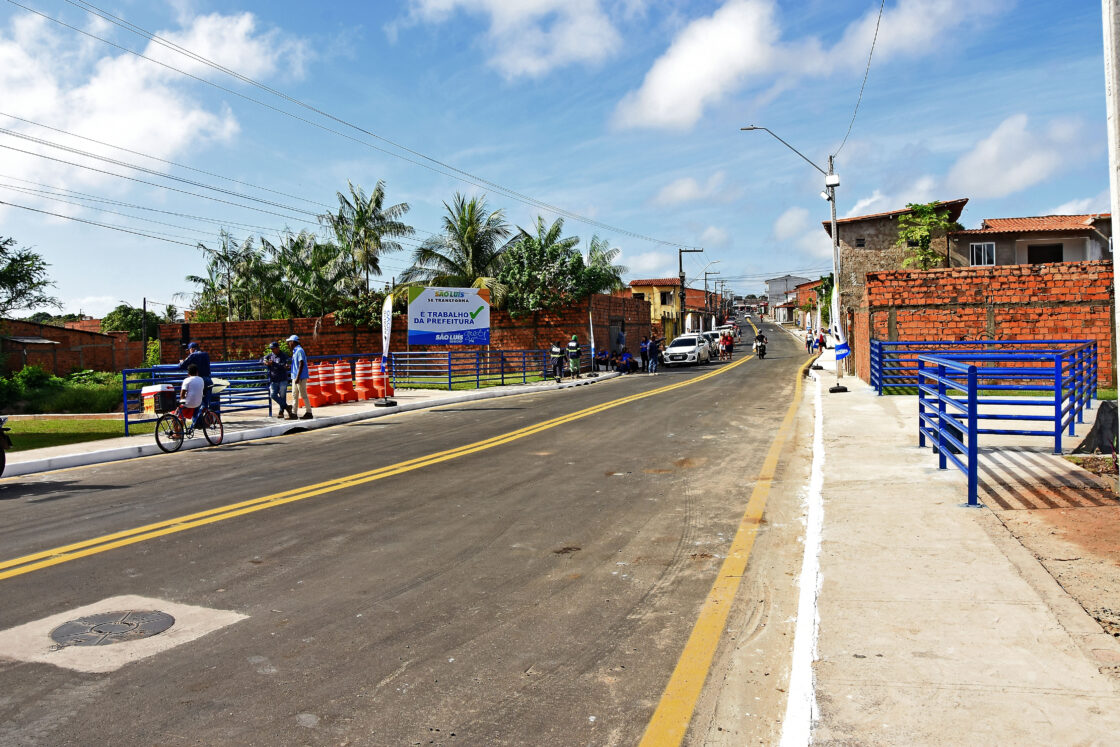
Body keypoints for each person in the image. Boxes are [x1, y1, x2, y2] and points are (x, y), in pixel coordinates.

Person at [179, 341, 217, 413]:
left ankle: (197, 419)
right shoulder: (206, 354)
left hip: (199, 381)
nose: (189, 352)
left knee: (197, 403)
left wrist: (181, 361)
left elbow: (182, 365)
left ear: (192, 349)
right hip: (208, 380)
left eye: (189, 350)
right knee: (206, 404)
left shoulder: (192, 355)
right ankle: (207, 417)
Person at [263, 341, 294, 419]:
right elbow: (263, 358)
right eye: (271, 349)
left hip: (282, 378)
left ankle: (281, 412)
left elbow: (284, 365)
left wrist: (273, 363)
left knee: (282, 396)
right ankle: (287, 407)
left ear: (278, 348)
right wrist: (265, 362)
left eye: (273, 349)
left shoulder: (283, 356)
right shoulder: (270, 355)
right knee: (273, 395)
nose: (272, 350)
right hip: (274, 379)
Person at [288, 334, 313, 419]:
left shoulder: (299, 351)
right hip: (295, 376)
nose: (289, 344)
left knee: (303, 395)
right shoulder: (295, 351)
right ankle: (294, 413)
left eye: (290, 342)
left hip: (300, 377)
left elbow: (301, 363)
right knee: (294, 395)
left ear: (293, 342)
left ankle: (309, 412)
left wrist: (298, 377)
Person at [177, 363, 205, 431]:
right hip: (198, 403)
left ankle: (178, 433)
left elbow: (182, 394)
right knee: (182, 411)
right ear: (197, 372)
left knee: (175, 414)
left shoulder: (187, 380)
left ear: (188, 373)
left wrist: (182, 399)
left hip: (188, 404)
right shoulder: (201, 379)